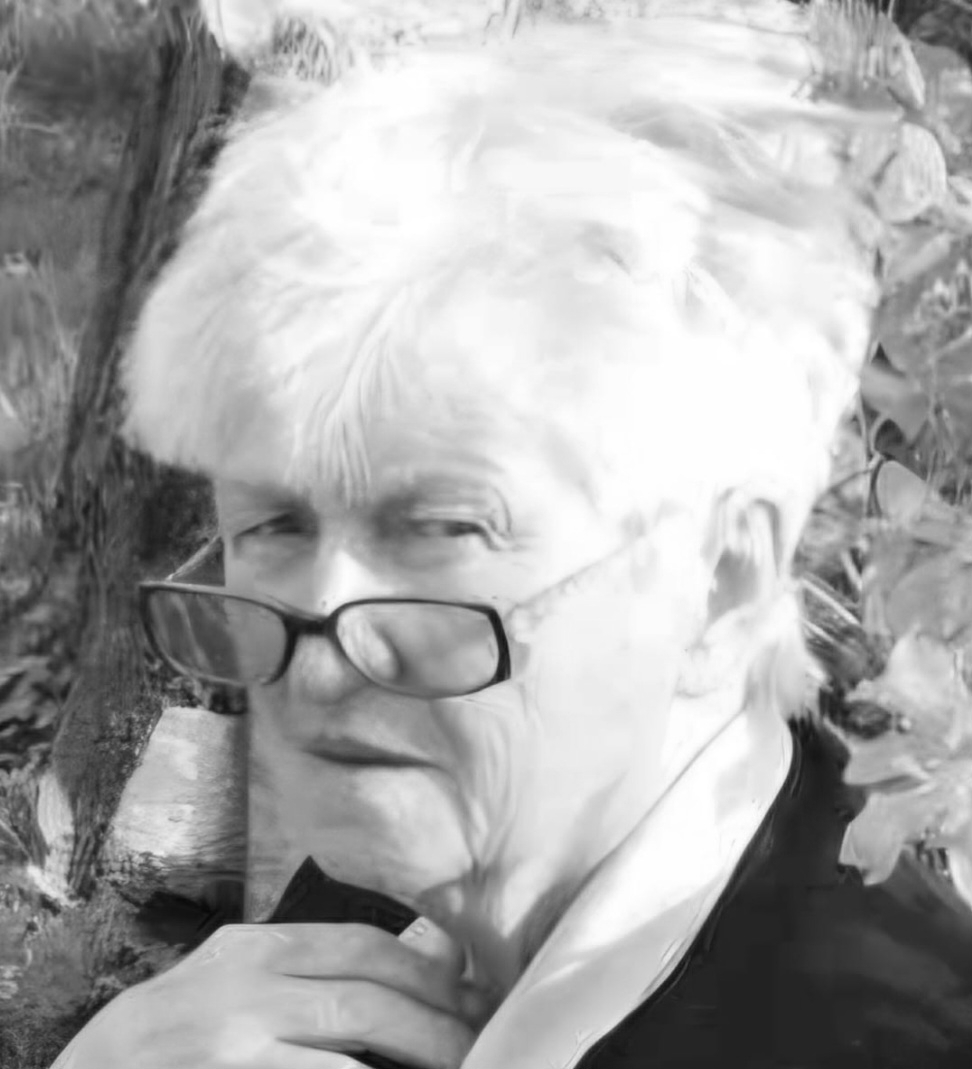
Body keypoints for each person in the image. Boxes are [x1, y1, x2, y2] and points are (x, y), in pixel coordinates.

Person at [52, 2, 972, 1067]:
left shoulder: (889, 1034)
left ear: (720, 576)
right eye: (275, 521)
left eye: (441, 527)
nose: (320, 664)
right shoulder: (419, 854)